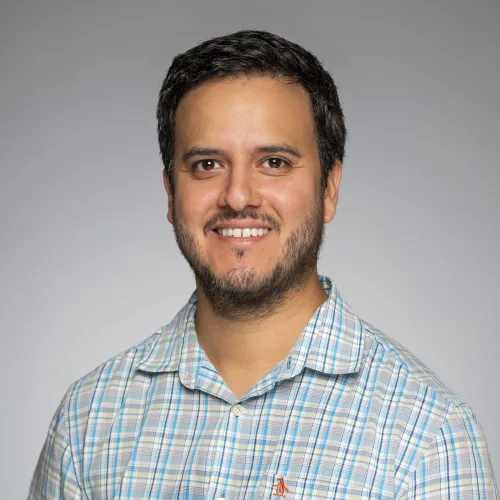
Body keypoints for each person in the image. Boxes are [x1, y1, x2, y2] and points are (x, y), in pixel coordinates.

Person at [29, 30, 498, 499]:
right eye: (207, 165)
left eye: (273, 162)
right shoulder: (86, 423)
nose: (237, 196)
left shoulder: (428, 437)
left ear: (329, 188)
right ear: (171, 194)